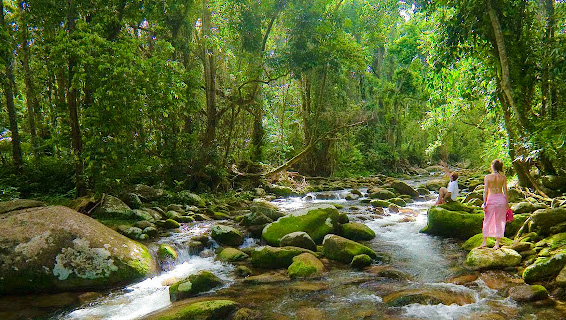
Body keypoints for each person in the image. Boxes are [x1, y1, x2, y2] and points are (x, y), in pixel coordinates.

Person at [479, 159, 509, 249]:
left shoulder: (487, 177)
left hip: (491, 199)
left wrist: (484, 203)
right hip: (501, 200)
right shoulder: (503, 177)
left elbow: (485, 191)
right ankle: (497, 243)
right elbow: (505, 191)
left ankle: (484, 242)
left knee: (487, 220)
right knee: (499, 221)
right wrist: (507, 204)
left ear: (492, 166)